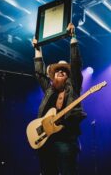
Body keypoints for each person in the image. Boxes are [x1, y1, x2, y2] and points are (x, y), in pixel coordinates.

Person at [32, 23, 87, 175]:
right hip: (46, 140)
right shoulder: (49, 89)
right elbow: (39, 73)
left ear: (68, 76)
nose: (61, 71)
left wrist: (73, 38)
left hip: (66, 140)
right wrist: (37, 49)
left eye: (64, 71)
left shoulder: (73, 88)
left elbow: (75, 64)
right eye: (58, 70)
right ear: (53, 76)